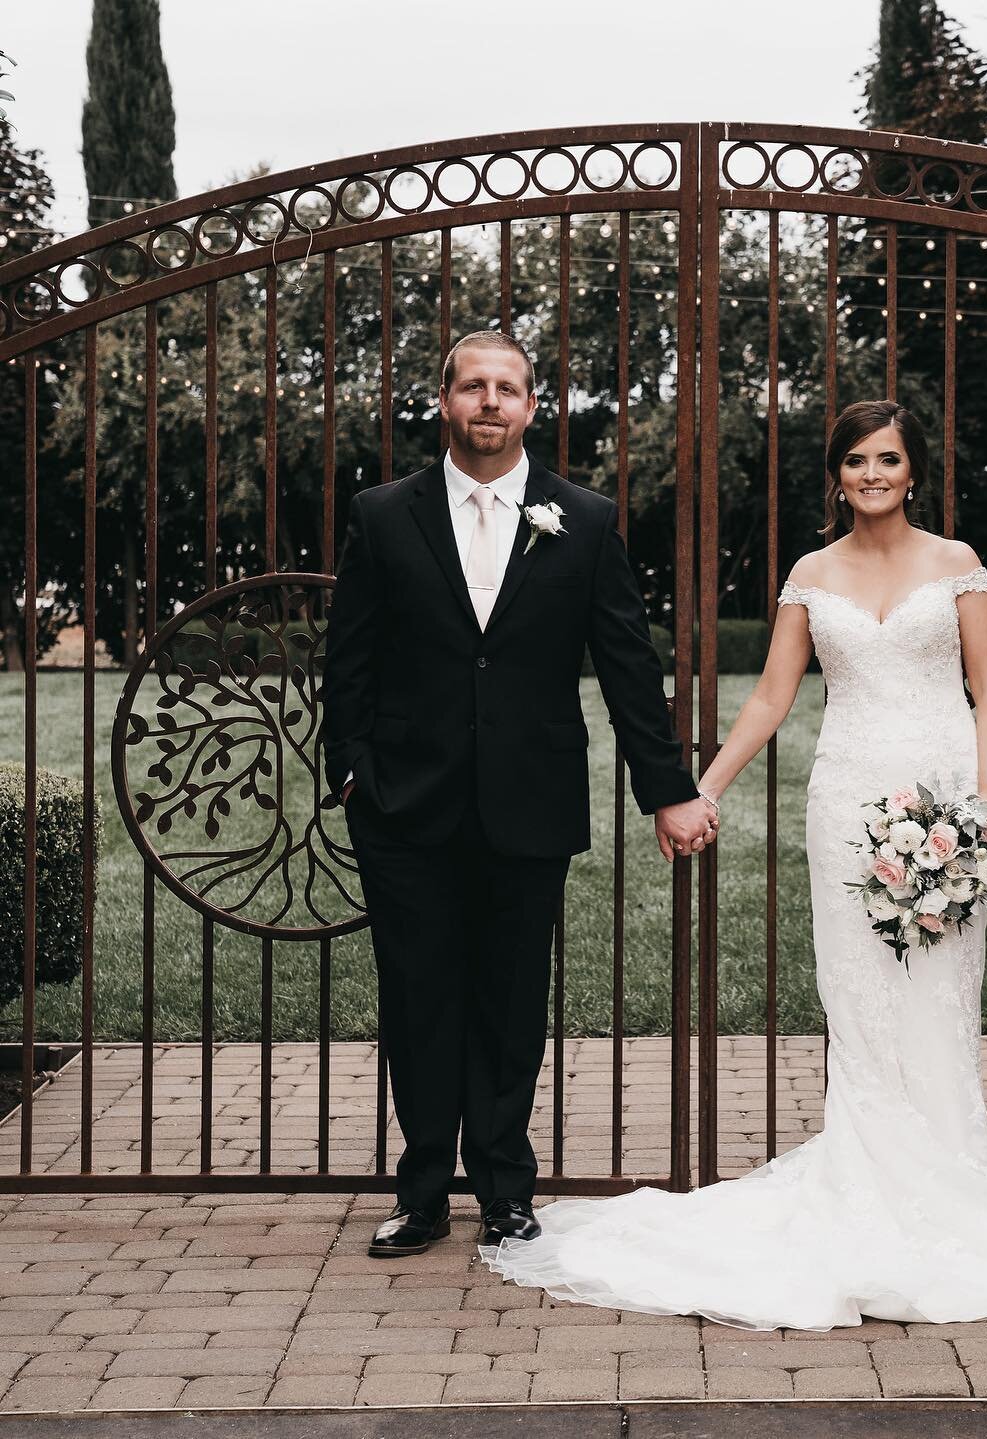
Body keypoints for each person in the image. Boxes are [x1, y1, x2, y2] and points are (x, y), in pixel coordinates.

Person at [480, 399, 987, 1329]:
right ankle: (868, 1182)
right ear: (838, 474)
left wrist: (985, 798)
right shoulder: (811, 574)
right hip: (847, 803)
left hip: (942, 800)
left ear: (913, 469)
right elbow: (773, 698)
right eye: (855, 460)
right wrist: (707, 789)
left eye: (888, 458)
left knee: (939, 994)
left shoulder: (958, 564)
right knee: (858, 1001)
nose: (872, 474)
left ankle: (949, 1186)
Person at [321, 331, 718, 1259]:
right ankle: (421, 1193)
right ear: (446, 402)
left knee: (508, 1001)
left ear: (533, 407)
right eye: (473, 386)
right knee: (418, 997)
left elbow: (627, 663)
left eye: (508, 388)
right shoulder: (384, 514)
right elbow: (350, 658)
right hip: (404, 805)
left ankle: (505, 1188)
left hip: (529, 802)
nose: (490, 402)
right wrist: (350, 770)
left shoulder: (584, 517)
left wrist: (665, 788)